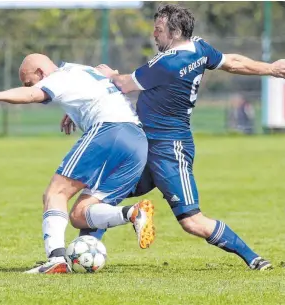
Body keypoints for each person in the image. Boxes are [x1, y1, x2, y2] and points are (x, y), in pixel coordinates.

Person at [91, 4, 285, 271]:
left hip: (171, 150)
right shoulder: (199, 48)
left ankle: (254, 258)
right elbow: (233, 62)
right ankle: (80, 253)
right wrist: (271, 68)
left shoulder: (167, 62)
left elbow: (123, 83)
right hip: (146, 146)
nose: (154, 35)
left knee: (192, 221)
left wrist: (107, 74)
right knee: (101, 196)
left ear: (175, 32)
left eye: (158, 30)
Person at [0, 53, 155, 274]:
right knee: (80, 214)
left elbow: (31, 94)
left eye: (30, 80)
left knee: (55, 193)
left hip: (110, 131)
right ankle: (132, 213)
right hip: (137, 142)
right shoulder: (81, 70)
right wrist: (74, 112)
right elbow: (95, 91)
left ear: (40, 73)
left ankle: (56, 258)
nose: (30, 85)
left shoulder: (59, 77)